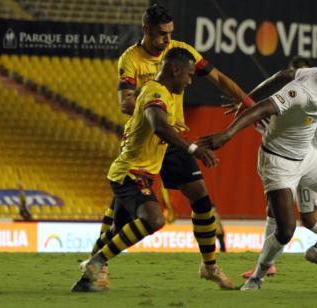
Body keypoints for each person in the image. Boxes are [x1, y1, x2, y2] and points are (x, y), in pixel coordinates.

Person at [89, 4, 252, 290]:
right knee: (123, 215)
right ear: (145, 30)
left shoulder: (180, 51)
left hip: (174, 139)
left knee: (201, 197)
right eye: (160, 34)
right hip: (146, 138)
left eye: (169, 34)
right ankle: (97, 265)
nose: (166, 40)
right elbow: (126, 104)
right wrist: (153, 93)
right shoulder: (131, 60)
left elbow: (218, 78)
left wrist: (248, 104)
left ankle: (210, 266)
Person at [198, 51, 317, 291]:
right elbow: (263, 109)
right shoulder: (302, 92)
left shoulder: (314, 76)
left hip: (307, 157)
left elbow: (282, 74)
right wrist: (227, 133)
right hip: (278, 162)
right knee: (286, 230)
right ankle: (256, 279)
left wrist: (247, 97)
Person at [72, 48, 224, 291]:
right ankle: (95, 263)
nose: (189, 80)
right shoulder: (155, 92)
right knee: (154, 218)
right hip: (131, 174)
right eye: (188, 74)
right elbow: (159, 127)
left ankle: (85, 282)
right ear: (175, 70)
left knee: (115, 231)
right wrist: (194, 149)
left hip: (134, 172)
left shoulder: (160, 93)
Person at [240, 56, 317, 279]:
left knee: (308, 220)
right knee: (274, 211)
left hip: (306, 163)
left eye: (298, 73)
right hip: (286, 163)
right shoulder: (288, 99)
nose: (294, 78)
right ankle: (267, 265)